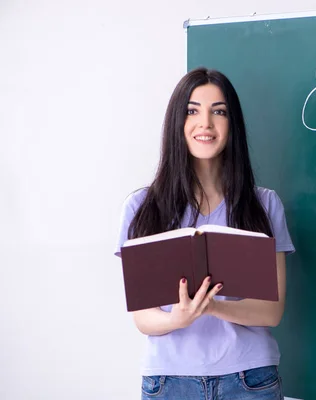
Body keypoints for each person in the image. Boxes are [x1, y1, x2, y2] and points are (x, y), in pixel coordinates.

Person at [114, 67, 295, 399]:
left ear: (232, 124)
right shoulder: (142, 207)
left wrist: (211, 307)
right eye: (192, 111)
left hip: (250, 379)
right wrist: (180, 318)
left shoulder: (264, 205)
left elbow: (271, 312)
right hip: (169, 381)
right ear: (177, 123)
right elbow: (143, 318)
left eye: (219, 112)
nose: (206, 124)